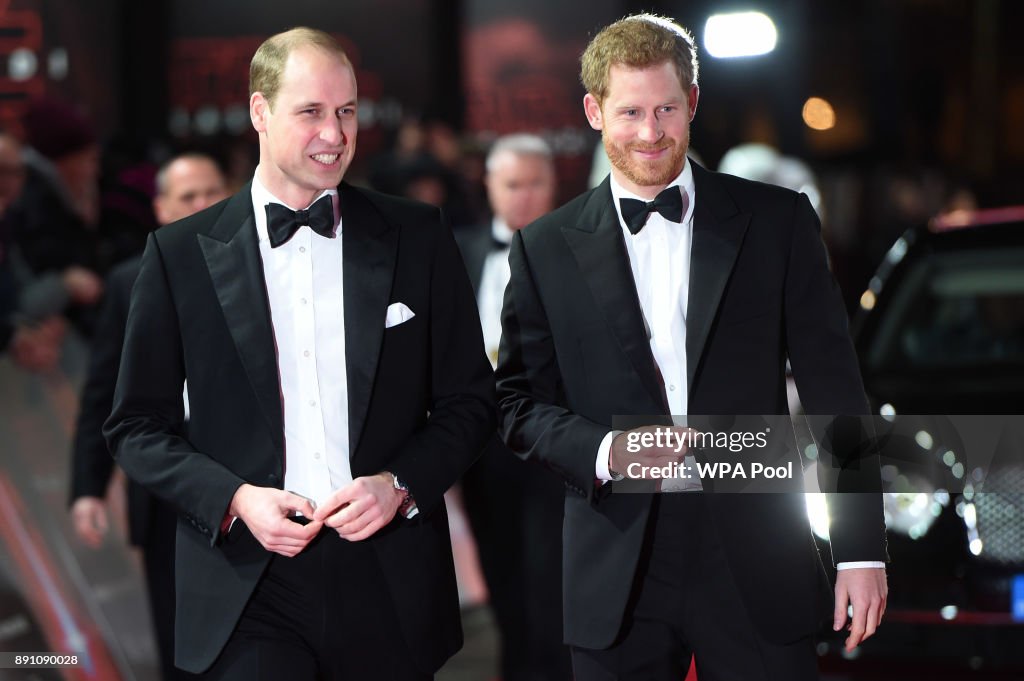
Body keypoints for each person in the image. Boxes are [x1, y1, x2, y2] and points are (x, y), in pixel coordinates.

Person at [495, 14, 888, 680]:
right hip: (616, 559)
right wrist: (603, 449)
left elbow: (836, 391)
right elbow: (514, 403)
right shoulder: (545, 247)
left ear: (693, 104)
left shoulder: (777, 221)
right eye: (630, 112)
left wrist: (860, 551)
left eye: (666, 109)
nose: (650, 133)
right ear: (593, 112)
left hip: (758, 551)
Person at [104, 27, 494, 680]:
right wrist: (234, 498)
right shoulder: (180, 255)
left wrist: (398, 485)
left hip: (388, 575)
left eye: (346, 112)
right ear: (260, 112)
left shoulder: (417, 235)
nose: (335, 134)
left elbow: (470, 401)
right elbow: (136, 425)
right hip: (248, 585)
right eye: (310, 112)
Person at [70, 152, 229, 680]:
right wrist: (88, 487)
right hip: (166, 493)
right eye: (188, 196)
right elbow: (105, 392)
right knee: (180, 640)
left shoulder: (260, 266)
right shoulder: (126, 280)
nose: (202, 204)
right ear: (160, 208)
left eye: (212, 192)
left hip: (254, 478)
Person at [457, 134, 571, 680]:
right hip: (482, 445)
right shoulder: (458, 250)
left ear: (554, 184)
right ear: (489, 187)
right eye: (512, 184)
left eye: (536, 183)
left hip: (559, 440)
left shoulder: (583, 248)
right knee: (500, 571)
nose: (524, 196)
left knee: (553, 576)